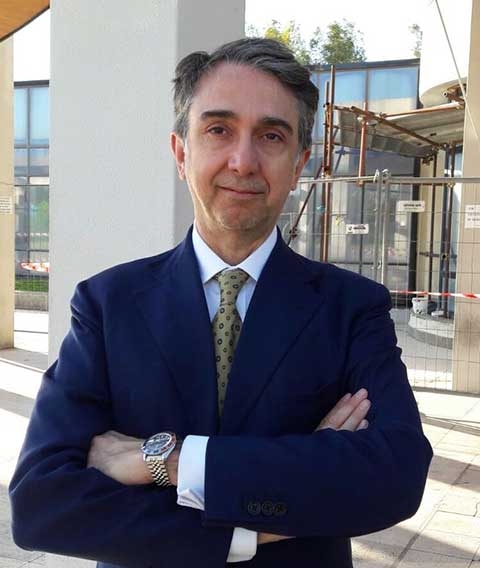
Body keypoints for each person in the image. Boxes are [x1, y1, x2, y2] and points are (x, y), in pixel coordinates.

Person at [9, 38, 432, 568]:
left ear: (299, 164)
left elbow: (396, 474)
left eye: (271, 136)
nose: (243, 160)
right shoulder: (107, 304)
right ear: (181, 152)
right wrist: (269, 511)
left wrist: (169, 460)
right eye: (218, 130)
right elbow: (41, 504)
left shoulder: (351, 308)